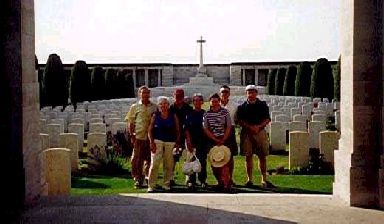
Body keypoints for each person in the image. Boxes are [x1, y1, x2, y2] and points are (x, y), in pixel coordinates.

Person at [235, 85, 275, 188]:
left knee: (262, 156)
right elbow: (239, 120)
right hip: (247, 133)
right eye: (249, 92)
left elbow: (267, 119)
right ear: (246, 94)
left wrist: (258, 127)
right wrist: (250, 127)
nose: (251, 94)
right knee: (248, 157)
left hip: (260, 132)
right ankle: (249, 179)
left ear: (256, 93)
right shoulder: (242, 107)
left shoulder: (262, 105)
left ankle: (264, 179)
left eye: (253, 92)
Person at [125, 86, 157, 189]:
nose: (145, 95)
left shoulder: (154, 107)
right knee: (136, 159)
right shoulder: (135, 107)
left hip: (150, 137)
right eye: (143, 93)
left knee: (149, 159)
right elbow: (130, 122)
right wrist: (131, 134)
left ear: (149, 94)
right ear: (139, 94)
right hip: (138, 136)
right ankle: (138, 179)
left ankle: (148, 177)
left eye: (147, 93)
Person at [147, 96, 180, 192]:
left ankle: (166, 184)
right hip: (157, 141)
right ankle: (151, 185)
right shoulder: (155, 115)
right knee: (154, 164)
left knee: (169, 164)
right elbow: (150, 130)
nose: (163, 106)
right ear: (158, 105)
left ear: (168, 105)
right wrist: (151, 142)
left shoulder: (173, 115)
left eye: (165, 104)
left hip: (170, 141)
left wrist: (177, 142)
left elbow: (177, 130)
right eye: (161, 104)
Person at [203, 93, 233, 192]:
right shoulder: (207, 114)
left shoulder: (225, 112)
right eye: (212, 101)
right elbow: (206, 128)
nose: (214, 103)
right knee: (215, 162)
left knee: (225, 162)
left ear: (219, 101)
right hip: (212, 140)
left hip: (224, 139)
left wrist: (223, 139)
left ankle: (227, 183)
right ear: (210, 102)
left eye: (216, 101)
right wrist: (215, 139)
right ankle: (220, 182)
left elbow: (228, 126)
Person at [169, 88, 193, 185]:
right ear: (173, 96)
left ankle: (188, 179)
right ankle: (170, 178)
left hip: (186, 135)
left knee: (187, 157)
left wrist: (188, 139)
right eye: (176, 96)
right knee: (172, 158)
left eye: (180, 96)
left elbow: (189, 124)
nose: (178, 98)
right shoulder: (170, 108)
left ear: (183, 97)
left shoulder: (188, 109)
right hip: (172, 136)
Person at [184, 93, 207, 190]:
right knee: (191, 161)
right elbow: (186, 129)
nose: (197, 102)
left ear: (202, 102)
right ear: (193, 102)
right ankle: (191, 181)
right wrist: (188, 141)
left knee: (202, 161)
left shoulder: (205, 113)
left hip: (202, 140)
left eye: (199, 100)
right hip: (191, 140)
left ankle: (202, 180)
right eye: (195, 100)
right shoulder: (190, 114)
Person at [219, 85, 238, 185]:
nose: (224, 94)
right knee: (219, 155)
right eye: (223, 92)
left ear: (229, 94)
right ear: (220, 94)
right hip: (219, 131)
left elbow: (237, 119)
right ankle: (221, 179)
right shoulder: (215, 104)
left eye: (226, 92)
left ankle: (230, 178)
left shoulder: (234, 106)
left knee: (230, 156)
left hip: (230, 131)